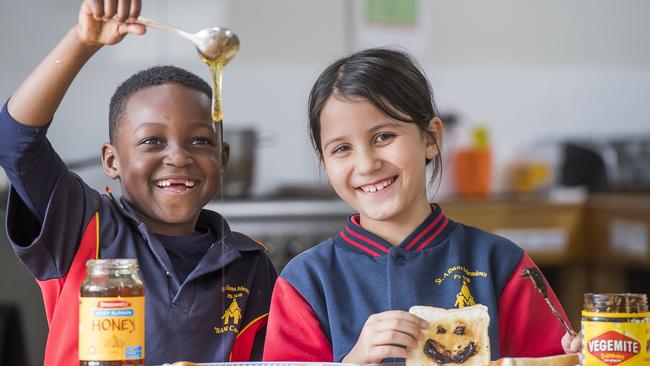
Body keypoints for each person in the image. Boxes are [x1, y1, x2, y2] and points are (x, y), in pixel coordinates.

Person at [0, 0, 276, 365]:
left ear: (222, 159)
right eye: (152, 141)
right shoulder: (84, 225)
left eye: (200, 141)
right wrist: (82, 42)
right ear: (112, 161)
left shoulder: (249, 262)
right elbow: (15, 142)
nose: (179, 157)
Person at [263, 47, 577, 363]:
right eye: (342, 148)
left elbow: (555, 358)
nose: (367, 164)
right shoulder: (305, 281)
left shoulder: (504, 265)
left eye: (383, 137)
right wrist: (354, 360)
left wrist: (580, 357)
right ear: (324, 162)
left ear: (430, 138)